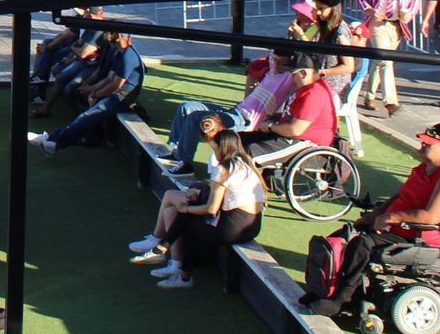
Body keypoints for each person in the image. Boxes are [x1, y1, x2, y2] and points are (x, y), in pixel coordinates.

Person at [306, 123, 440, 317]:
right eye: (423, 142)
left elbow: (430, 216)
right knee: (345, 234)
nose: (422, 145)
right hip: (398, 230)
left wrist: (391, 217)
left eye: (429, 144)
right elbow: (399, 198)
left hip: (420, 239)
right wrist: (371, 217)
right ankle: (324, 289)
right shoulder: (423, 169)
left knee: (362, 243)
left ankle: (342, 299)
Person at [131, 132, 266, 289]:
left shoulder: (224, 168)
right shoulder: (244, 163)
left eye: (213, 147)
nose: (212, 151)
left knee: (187, 220)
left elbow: (211, 209)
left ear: (220, 147)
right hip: (252, 226)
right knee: (182, 212)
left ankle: (183, 276)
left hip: (233, 228)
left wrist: (187, 208)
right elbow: (220, 194)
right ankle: (163, 250)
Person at [157, 48, 295, 175]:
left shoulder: (288, 77)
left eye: (281, 63)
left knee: (195, 118)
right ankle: (176, 152)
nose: (276, 64)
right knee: (186, 107)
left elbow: (305, 57)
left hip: (244, 120)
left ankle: (185, 164)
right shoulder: (272, 69)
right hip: (234, 110)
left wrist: (301, 33)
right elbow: (271, 56)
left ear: (289, 65)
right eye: (274, 59)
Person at [25, 32, 142, 155]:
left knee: (87, 116)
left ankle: (54, 140)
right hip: (116, 94)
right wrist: (92, 89)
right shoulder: (120, 53)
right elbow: (109, 79)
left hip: (122, 97)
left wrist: (95, 93)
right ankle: (56, 140)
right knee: (86, 111)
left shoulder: (128, 56)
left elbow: (116, 84)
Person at [241, 58, 335, 156]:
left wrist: (270, 126)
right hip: (290, 135)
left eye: (293, 74)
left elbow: (295, 129)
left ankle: (245, 169)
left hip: (307, 142)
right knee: (240, 139)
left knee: (251, 150)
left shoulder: (313, 93)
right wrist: (274, 117)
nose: (292, 78)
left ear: (303, 73)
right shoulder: (304, 87)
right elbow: (295, 116)